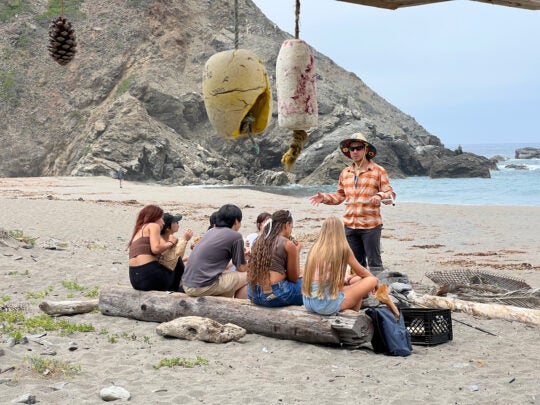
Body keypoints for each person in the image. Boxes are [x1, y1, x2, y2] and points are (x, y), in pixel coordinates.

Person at [309, 132, 395, 274]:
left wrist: (380, 196)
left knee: (375, 263)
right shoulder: (345, 172)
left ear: (366, 149)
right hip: (350, 226)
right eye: (352, 149)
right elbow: (339, 196)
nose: (355, 151)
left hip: (371, 225)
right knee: (355, 263)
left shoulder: (379, 171)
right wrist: (324, 198)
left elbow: (390, 194)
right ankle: (363, 293)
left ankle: (378, 291)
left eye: (358, 148)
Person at [302, 216, 378, 315]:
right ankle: (352, 317)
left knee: (357, 281)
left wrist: (349, 278)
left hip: (309, 302)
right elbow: (362, 272)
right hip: (324, 304)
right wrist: (376, 282)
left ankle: (351, 315)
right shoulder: (342, 249)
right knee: (371, 280)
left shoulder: (315, 248)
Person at [181, 204, 248, 299]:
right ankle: (238, 306)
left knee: (229, 275)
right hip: (201, 286)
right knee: (249, 276)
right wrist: (251, 262)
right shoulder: (235, 236)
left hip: (187, 284)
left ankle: (224, 302)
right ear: (236, 221)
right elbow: (242, 268)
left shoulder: (211, 231)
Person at [247, 210, 303, 307]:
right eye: (291, 227)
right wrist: (297, 253)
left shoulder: (259, 240)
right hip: (276, 295)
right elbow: (293, 278)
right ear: (287, 225)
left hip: (253, 294)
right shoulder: (288, 244)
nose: (291, 231)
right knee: (309, 286)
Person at [128, 205, 182, 291]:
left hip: (135, 278)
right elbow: (156, 249)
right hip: (149, 277)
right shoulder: (153, 225)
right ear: (154, 217)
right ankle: (176, 291)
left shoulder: (139, 230)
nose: (163, 223)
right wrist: (170, 242)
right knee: (178, 262)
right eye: (161, 219)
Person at [159, 213, 193, 282]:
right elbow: (173, 261)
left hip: (167, 273)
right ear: (168, 228)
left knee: (188, 262)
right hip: (168, 280)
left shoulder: (165, 239)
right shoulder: (164, 243)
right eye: (175, 222)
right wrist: (185, 239)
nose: (178, 223)